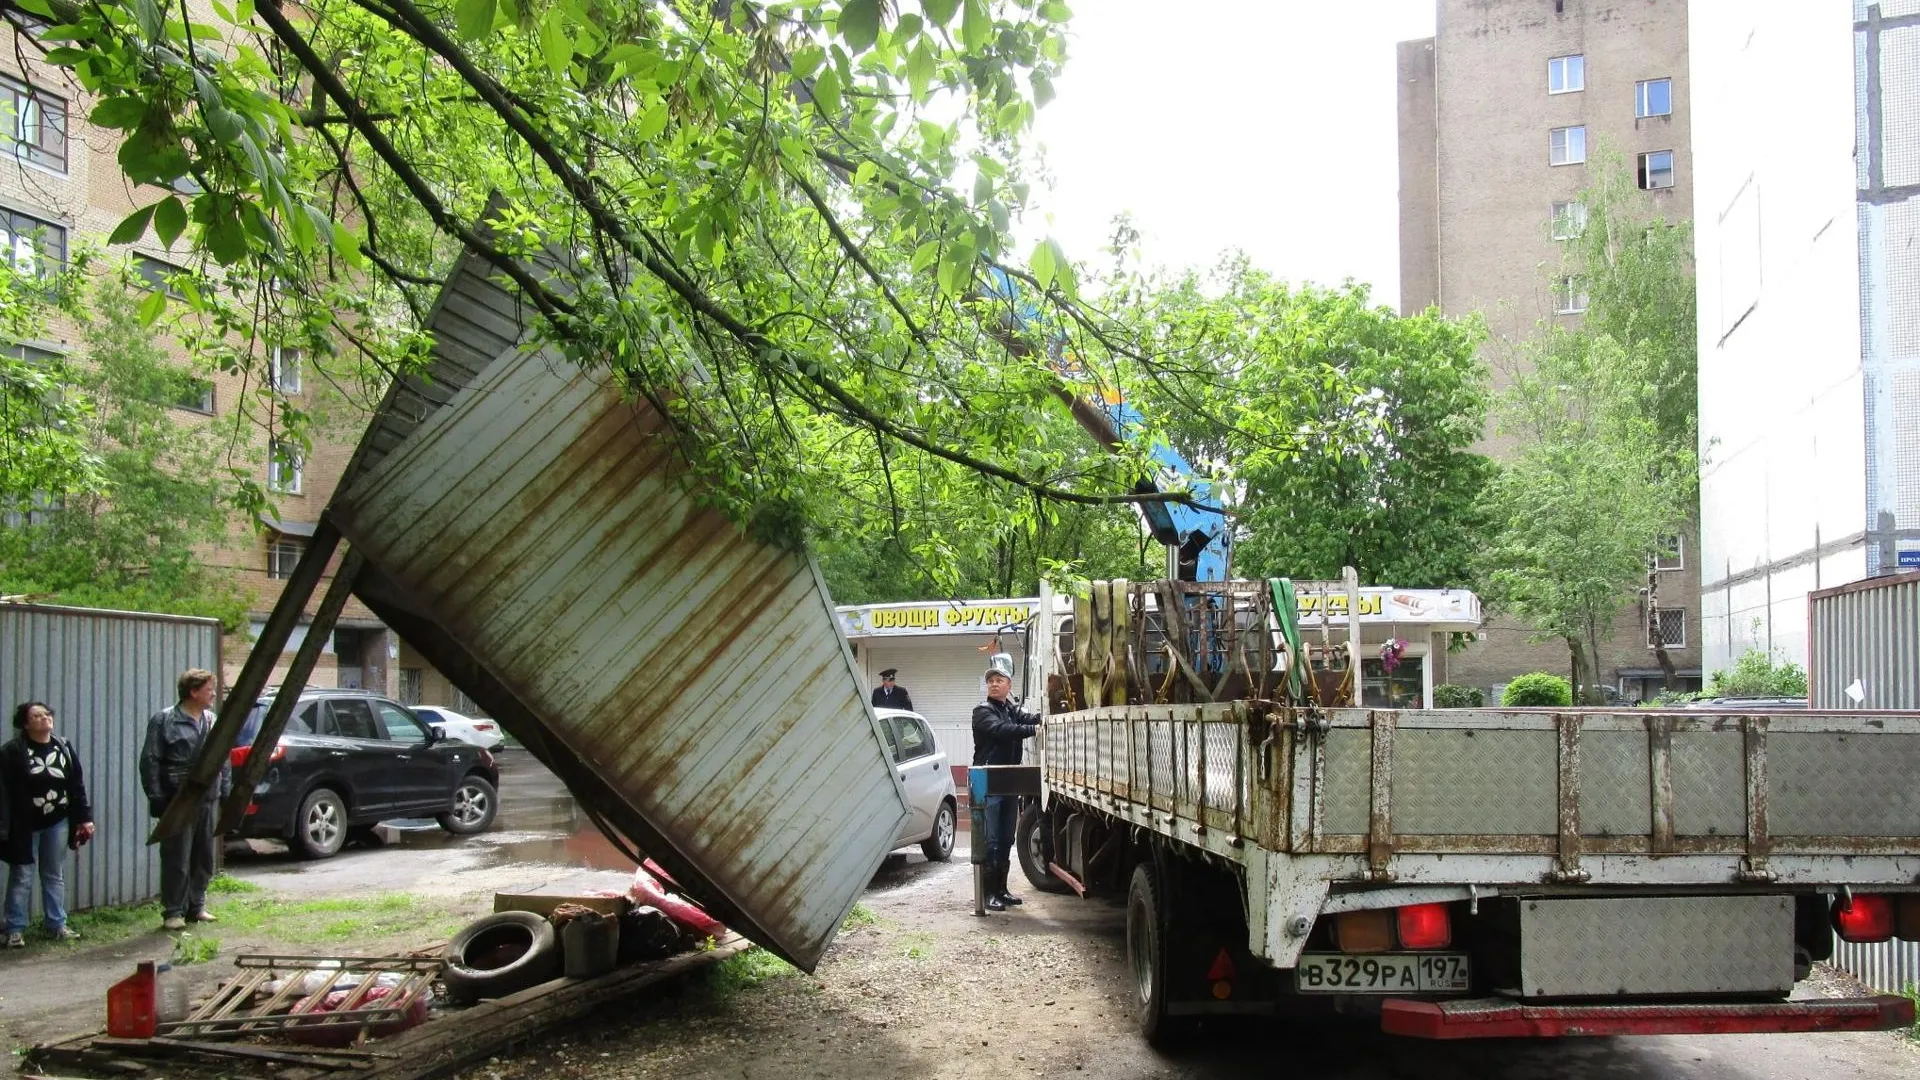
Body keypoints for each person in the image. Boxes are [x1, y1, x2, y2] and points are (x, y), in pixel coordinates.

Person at [141, 669, 230, 932]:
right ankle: (173, 911)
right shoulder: (165, 720)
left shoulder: (212, 720)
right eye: (209, 689)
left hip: (208, 797)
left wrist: (225, 789)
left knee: (203, 855)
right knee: (176, 856)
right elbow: (150, 760)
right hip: (177, 797)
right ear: (193, 692)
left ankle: (196, 905)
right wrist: (156, 795)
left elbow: (223, 758)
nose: (213, 694)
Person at [2, 702, 95, 947]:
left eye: (46, 714)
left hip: (57, 820)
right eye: (36, 716)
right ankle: (14, 928)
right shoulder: (13, 751)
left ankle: (56, 924)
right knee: (22, 875)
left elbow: (76, 785)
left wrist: (84, 818)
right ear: (25, 723)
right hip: (24, 824)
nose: (44, 718)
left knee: (54, 874)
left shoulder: (62, 747)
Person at [970, 654, 1039, 913]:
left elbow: (1028, 718)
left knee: (1007, 838)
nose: (994, 684)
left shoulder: (1010, 709)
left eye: (999, 680)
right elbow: (1001, 730)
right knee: (992, 840)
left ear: (1009, 685)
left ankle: (1002, 890)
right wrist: (1032, 730)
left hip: (1008, 781)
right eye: (991, 681)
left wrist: (1043, 719)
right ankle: (988, 894)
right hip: (989, 781)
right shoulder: (983, 711)